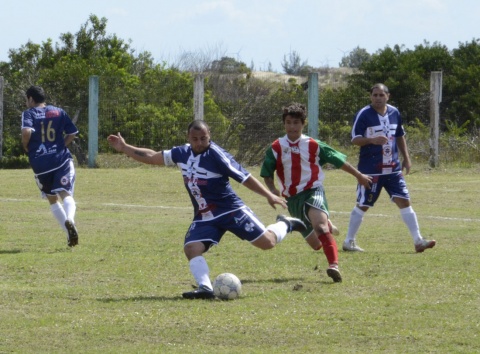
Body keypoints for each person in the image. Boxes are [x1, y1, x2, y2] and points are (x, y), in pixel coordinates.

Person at [107, 120, 307, 299]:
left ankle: (285, 224)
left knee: (267, 243)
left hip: (230, 210)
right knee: (191, 248)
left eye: (203, 138)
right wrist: (125, 148)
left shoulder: (217, 155)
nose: (199, 142)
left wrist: (269, 195)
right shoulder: (181, 153)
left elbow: (244, 177)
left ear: (209, 136)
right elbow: (151, 156)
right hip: (205, 215)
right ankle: (205, 288)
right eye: (195, 139)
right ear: (188, 138)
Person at [260, 103, 372, 283]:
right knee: (316, 244)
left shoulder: (313, 145)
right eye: (288, 123)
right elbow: (266, 173)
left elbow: (337, 160)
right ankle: (318, 223)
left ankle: (333, 265)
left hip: (313, 190)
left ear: (303, 124)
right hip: (292, 199)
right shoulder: (276, 147)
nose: (292, 127)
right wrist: (272, 191)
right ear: (284, 124)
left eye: (296, 123)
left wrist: (358, 175)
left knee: (320, 228)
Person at [343, 83, 436, 253]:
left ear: (388, 96)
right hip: (371, 170)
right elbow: (355, 139)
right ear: (371, 97)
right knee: (364, 204)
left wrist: (406, 159)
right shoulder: (364, 114)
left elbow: (400, 136)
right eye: (374, 95)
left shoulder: (394, 112)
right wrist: (371, 140)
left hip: (393, 169)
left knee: (405, 201)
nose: (377, 98)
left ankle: (418, 240)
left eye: (381, 95)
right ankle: (349, 241)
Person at [21, 85, 79, 247]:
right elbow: (72, 132)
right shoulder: (59, 111)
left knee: (52, 200)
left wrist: (26, 147)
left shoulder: (29, 113)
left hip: (40, 163)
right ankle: (70, 220)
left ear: (31, 99)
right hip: (60, 159)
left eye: (27, 99)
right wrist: (62, 145)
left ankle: (69, 235)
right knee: (65, 193)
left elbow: (26, 132)